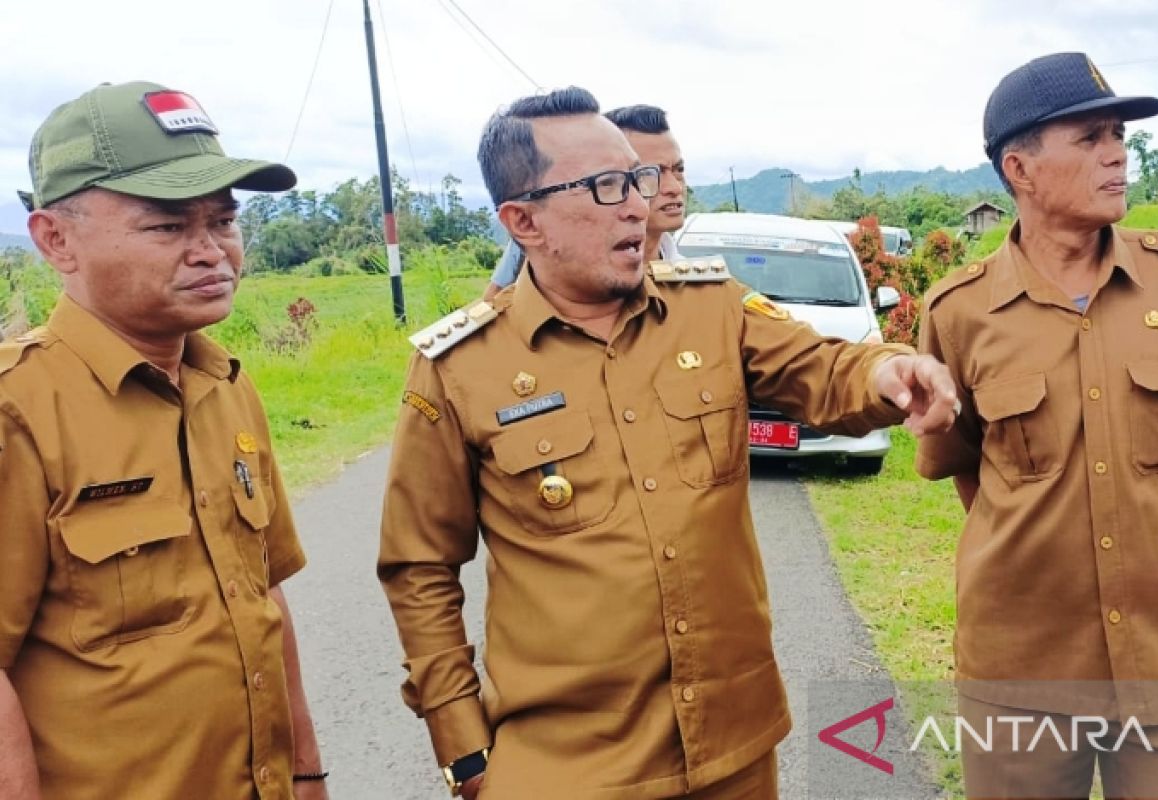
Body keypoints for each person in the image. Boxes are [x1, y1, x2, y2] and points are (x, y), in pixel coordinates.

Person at [379, 86, 958, 799]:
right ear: (522, 220)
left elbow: (824, 368)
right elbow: (419, 568)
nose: (636, 205)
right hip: (566, 770)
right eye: (605, 187)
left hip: (733, 751)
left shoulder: (710, 309)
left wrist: (889, 371)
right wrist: (463, 747)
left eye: (640, 180)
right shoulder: (460, 367)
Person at [0, 81, 327, 800]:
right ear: (56, 240)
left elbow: (263, 593)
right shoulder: (18, 413)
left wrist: (305, 771)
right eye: (169, 227)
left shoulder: (225, 384)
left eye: (223, 221)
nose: (212, 252)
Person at [917, 52, 1158, 798]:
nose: (1118, 154)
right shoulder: (959, 313)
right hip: (1023, 677)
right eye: (1091, 137)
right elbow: (970, 471)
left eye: (1119, 135)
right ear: (1020, 168)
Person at [482, 103, 684, 302]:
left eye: (678, 170)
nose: (674, 188)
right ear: (525, 223)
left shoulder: (702, 292)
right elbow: (494, 306)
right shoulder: (533, 244)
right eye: (608, 182)